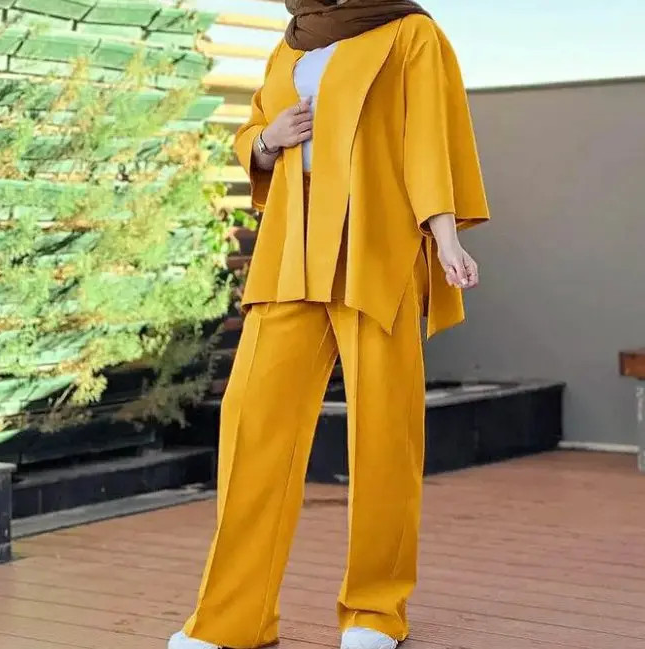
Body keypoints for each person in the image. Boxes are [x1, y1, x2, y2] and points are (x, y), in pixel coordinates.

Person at [169, 1, 489, 648]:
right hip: (290, 243)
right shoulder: (290, 42)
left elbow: (429, 138)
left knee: (384, 430)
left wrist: (445, 237)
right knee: (252, 422)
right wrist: (266, 141)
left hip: (375, 243)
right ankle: (233, 619)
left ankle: (375, 611)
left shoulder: (409, 32)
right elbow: (254, 129)